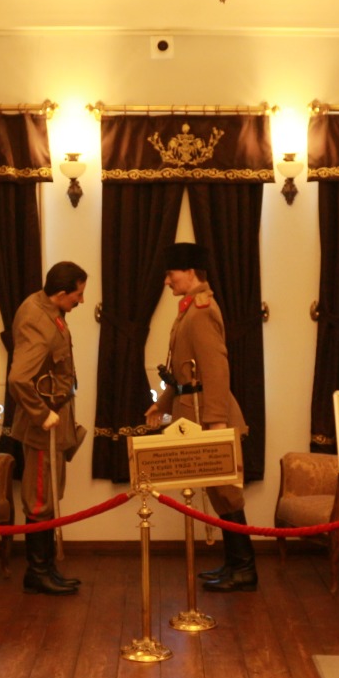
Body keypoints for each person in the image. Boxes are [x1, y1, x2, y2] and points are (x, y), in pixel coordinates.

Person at [143, 242, 256, 592]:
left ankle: (245, 568)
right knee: (217, 492)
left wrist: (217, 422)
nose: (167, 281)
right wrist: (163, 404)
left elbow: (216, 369)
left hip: (209, 415)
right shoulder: (190, 309)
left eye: (171, 274)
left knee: (227, 491)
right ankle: (233, 563)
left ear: (190, 272)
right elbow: (184, 374)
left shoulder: (202, 310)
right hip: (194, 411)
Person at [8, 261, 89, 595]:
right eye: (78, 294)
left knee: (50, 496)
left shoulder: (49, 310)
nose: (81, 300)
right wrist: (42, 414)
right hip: (44, 426)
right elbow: (18, 378)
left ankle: (48, 569)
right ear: (61, 293)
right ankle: (37, 572)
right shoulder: (37, 318)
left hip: (56, 418)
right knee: (40, 499)